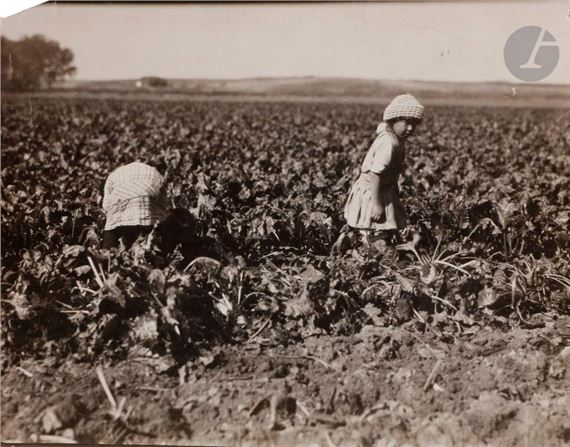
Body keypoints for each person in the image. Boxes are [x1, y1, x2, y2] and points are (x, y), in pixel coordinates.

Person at [340, 93, 424, 254]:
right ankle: (368, 254)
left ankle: (375, 250)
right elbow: (375, 174)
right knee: (372, 227)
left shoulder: (396, 140)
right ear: (393, 120)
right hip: (373, 191)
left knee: (380, 227)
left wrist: (393, 188)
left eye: (415, 123)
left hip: (383, 189)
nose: (411, 128)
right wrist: (377, 204)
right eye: (406, 122)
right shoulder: (389, 143)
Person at [102, 161, 169, 249]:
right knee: (151, 246)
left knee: (109, 249)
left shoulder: (115, 174)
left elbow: (106, 205)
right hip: (148, 206)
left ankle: (107, 258)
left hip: (121, 201)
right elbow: (163, 203)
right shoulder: (156, 173)